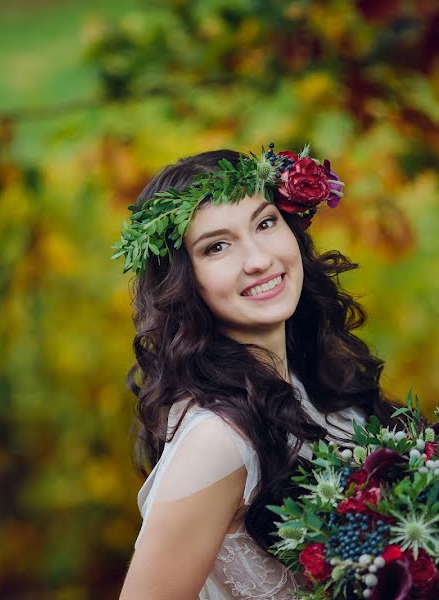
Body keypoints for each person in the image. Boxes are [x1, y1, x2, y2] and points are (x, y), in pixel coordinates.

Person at [114, 146, 398, 599]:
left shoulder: (311, 383)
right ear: (184, 281)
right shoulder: (217, 440)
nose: (259, 259)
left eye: (265, 223)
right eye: (217, 246)